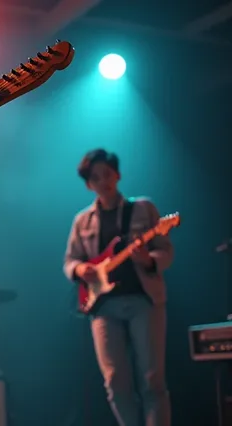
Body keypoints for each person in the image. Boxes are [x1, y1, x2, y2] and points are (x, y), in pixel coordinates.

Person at [63, 148, 174, 426]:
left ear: (118, 175)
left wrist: (148, 258)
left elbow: (166, 252)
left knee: (152, 379)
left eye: (107, 174)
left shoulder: (144, 209)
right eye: (96, 177)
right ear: (88, 184)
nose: (103, 181)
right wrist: (80, 269)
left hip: (143, 301)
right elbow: (70, 261)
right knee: (114, 382)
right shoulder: (82, 221)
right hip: (103, 307)